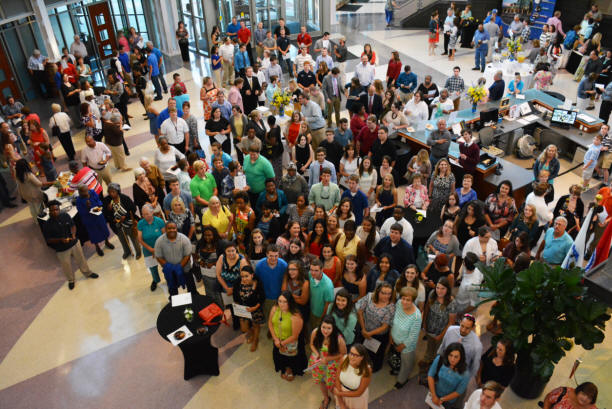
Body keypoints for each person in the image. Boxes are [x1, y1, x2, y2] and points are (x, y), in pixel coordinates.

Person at [42, 200, 100, 290]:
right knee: (66, 266)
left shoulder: (65, 216)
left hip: (74, 244)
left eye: (56, 209)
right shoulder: (47, 224)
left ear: (59, 209)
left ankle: (87, 273)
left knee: (81, 259)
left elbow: (73, 226)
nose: (55, 212)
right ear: (49, 211)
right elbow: (48, 240)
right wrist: (60, 240)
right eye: (52, 210)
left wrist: (73, 235)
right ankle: (71, 280)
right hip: (61, 249)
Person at [419, 277, 457, 373]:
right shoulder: (432, 294)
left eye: (443, 288)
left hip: (441, 332)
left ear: (447, 289)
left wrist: (441, 335)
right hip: (430, 328)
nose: (439, 291)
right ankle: (427, 359)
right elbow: (427, 308)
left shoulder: (451, 303)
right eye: (438, 288)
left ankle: (435, 366)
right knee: (430, 345)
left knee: (439, 351)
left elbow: (451, 323)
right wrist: (424, 323)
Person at [355, 282, 395, 372]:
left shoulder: (391, 307)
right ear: (378, 292)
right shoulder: (369, 297)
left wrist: (369, 333)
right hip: (364, 330)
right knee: (361, 351)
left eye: (389, 293)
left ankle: (371, 369)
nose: (386, 296)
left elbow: (385, 326)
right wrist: (364, 330)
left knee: (374, 357)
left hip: (378, 336)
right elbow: (360, 312)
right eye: (383, 293)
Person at [269, 290, 307, 381]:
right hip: (278, 340)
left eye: (285, 302)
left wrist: (282, 343)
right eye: (280, 301)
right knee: (280, 357)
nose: (281, 304)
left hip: (290, 342)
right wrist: (275, 339)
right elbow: (270, 323)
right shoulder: (274, 308)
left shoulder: (295, 316)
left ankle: (291, 370)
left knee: (291, 359)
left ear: (290, 302)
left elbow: (295, 336)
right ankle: (284, 368)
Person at [391, 286, 422, 388]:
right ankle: (397, 370)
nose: (404, 302)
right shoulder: (399, 304)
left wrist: (402, 346)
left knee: (406, 364)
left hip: (406, 346)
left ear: (413, 300)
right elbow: (393, 320)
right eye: (403, 298)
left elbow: (413, 336)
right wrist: (391, 335)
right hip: (395, 340)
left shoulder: (416, 316)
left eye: (408, 300)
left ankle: (402, 380)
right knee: (398, 359)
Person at [104, 183, 142, 260]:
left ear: (117, 191)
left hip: (128, 223)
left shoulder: (124, 198)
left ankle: (138, 252)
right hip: (117, 224)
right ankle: (127, 251)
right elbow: (105, 213)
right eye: (110, 192)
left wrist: (126, 216)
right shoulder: (107, 200)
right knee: (122, 239)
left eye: (113, 192)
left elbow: (133, 208)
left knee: (133, 238)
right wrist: (109, 210)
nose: (111, 194)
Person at [427, 342, 471, 408]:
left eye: (456, 357)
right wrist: (434, 395)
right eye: (450, 355)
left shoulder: (465, 373)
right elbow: (430, 375)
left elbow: (459, 391)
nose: (452, 359)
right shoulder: (440, 359)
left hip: (449, 400)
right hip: (435, 392)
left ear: (461, 357)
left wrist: (442, 399)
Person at [233, 265, 265, 351]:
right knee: (244, 328)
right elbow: (235, 296)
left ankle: (255, 339)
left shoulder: (257, 283)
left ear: (252, 275)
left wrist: (254, 308)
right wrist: (238, 308)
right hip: (243, 309)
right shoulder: (237, 283)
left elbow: (262, 298)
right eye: (242, 276)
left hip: (254, 308)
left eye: (246, 276)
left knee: (256, 325)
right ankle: (252, 334)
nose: (244, 278)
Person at [75, 185, 113, 257]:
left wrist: (98, 207)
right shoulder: (78, 201)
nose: (86, 193)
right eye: (84, 192)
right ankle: (97, 247)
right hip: (89, 219)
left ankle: (107, 242)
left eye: (87, 191)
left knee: (103, 229)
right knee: (94, 233)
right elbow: (81, 212)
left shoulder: (92, 192)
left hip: (98, 215)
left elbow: (98, 201)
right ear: (80, 193)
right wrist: (88, 207)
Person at [137, 204, 166, 291]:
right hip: (148, 251)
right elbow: (140, 239)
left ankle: (168, 278)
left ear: (152, 212)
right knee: (152, 268)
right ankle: (155, 280)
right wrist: (151, 249)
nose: (145, 216)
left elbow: (164, 236)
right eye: (143, 214)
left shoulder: (159, 221)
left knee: (165, 265)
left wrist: (157, 250)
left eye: (147, 214)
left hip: (161, 249)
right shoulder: (141, 223)